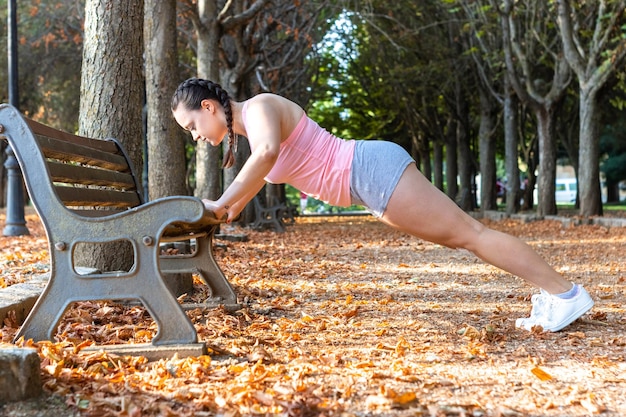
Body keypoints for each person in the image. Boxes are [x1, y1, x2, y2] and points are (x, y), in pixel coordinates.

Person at [171, 77, 594, 332]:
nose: (196, 136)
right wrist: (217, 208)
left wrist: (223, 200)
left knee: (471, 235)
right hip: (368, 181)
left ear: (208, 107)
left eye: (192, 125)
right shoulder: (250, 137)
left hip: (369, 169)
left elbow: (264, 156)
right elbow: (236, 206)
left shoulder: (260, 108)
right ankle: (554, 292)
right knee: (466, 237)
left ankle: (565, 293)